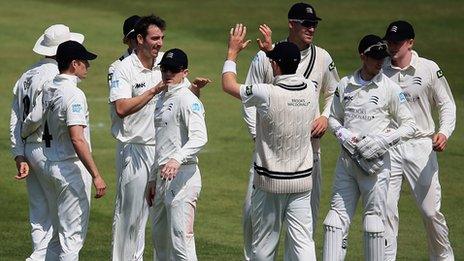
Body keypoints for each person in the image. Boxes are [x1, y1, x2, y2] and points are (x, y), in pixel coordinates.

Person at [241, 3, 340, 257]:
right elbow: (249, 102)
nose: (311, 28)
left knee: (302, 231)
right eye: (306, 24)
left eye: (314, 24)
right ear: (291, 24)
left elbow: (333, 93)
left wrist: (325, 118)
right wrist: (258, 136)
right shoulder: (265, 58)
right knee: (254, 222)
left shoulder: (323, 58)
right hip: (267, 158)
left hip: (308, 156)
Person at [109, 14, 210, 260]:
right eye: (155, 39)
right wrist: (154, 90)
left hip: (163, 154)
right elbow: (121, 108)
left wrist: (194, 90)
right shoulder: (121, 68)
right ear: (139, 39)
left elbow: (183, 103)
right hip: (135, 148)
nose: (159, 44)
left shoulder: (165, 63)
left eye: (162, 38)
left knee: (163, 231)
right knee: (130, 219)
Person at [223, 24, 319, 260]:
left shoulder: (266, 93)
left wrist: (232, 53)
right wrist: (271, 52)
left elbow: (228, 84)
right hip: (302, 182)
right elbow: (284, 65)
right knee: (304, 243)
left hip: (270, 183)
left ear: (274, 64)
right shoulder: (309, 88)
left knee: (264, 247)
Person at [322, 34, 416, 261]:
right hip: (346, 164)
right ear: (362, 56)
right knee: (334, 221)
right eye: (375, 58)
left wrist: (381, 142)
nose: (380, 62)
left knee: (374, 222)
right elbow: (333, 118)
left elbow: (410, 125)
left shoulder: (390, 88)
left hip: (376, 167)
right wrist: (343, 135)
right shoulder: (345, 84)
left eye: (383, 58)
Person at [9, 24, 84, 260]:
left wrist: (19, 153)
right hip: (51, 151)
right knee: (61, 224)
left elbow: (14, 117)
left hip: (30, 151)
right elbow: (35, 117)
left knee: (40, 219)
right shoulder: (56, 77)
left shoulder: (26, 75)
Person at [382, 21, 456, 261]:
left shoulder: (428, 69)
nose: (392, 46)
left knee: (430, 211)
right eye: (390, 41)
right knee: (386, 211)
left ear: (410, 42)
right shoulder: (381, 68)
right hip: (389, 147)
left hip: (421, 145)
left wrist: (444, 132)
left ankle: (444, 258)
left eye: (397, 42)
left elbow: (446, 104)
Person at [41, 40, 106, 260]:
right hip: (69, 169)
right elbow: (77, 139)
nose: (88, 65)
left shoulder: (49, 88)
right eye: (85, 61)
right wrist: (96, 175)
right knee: (72, 239)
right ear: (74, 64)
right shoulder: (74, 94)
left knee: (57, 237)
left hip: (49, 166)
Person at [146, 48, 208, 260]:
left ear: (185, 72)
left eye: (173, 70)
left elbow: (200, 137)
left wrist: (177, 158)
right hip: (163, 178)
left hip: (183, 177)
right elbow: (162, 143)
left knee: (181, 241)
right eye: (164, 69)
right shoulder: (162, 98)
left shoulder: (187, 99)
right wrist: (153, 177)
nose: (168, 74)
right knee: (160, 243)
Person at [108, 15, 140, 87]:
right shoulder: (115, 68)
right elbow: (120, 98)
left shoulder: (160, 61)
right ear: (127, 40)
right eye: (135, 37)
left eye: (143, 36)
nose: (140, 41)